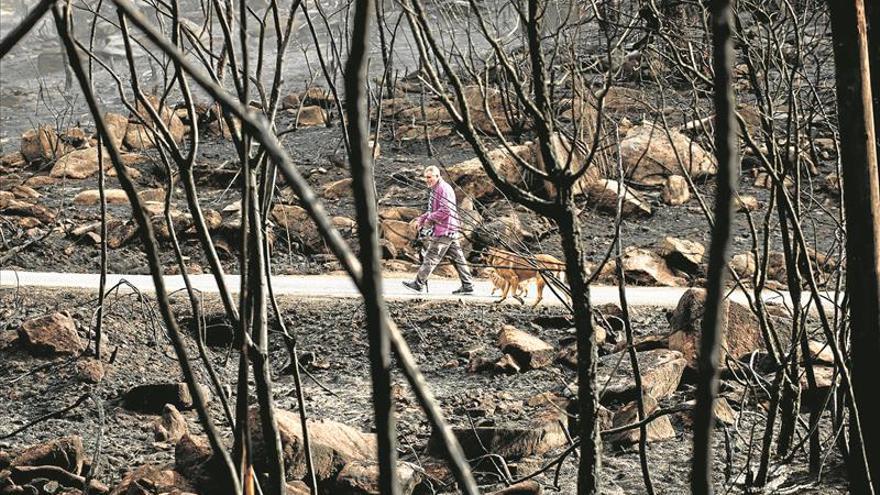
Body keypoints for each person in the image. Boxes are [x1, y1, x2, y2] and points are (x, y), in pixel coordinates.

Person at [402, 166, 475, 294]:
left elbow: (446, 210)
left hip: (444, 230)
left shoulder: (443, 189)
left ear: (437, 176)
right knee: (458, 258)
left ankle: (418, 284)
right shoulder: (437, 188)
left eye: (429, 177)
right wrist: (421, 219)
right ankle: (468, 285)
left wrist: (429, 219)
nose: (427, 180)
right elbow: (433, 211)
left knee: (431, 256)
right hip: (450, 229)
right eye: (426, 177)